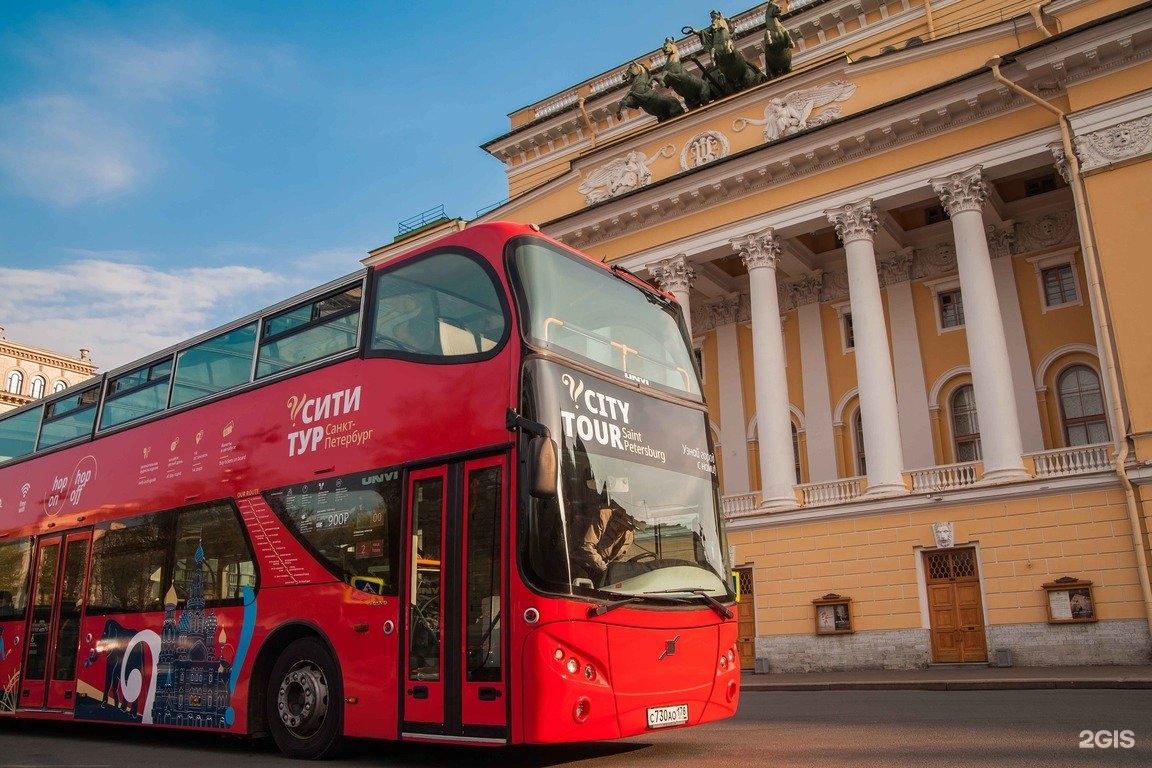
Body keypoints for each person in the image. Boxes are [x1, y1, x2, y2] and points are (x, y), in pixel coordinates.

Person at [572, 502, 637, 583]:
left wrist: (612, 572)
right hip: (582, 564)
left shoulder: (630, 533)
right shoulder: (603, 516)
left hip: (603, 571)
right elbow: (587, 546)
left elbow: (617, 559)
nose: (628, 529)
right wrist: (604, 569)